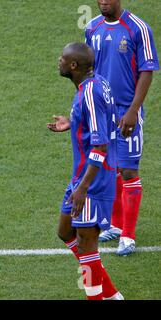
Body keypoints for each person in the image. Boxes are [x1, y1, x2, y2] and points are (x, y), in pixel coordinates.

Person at [48, 42, 123, 300]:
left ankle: (97, 297)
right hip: (81, 177)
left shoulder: (90, 92)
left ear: (73, 65)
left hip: (93, 180)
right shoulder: (94, 83)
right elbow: (100, 121)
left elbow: (100, 143)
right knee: (64, 231)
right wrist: (73, 123)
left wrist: (83, 188)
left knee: (86, 244)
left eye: (62, 58)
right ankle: (112, 295)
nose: (58, 61)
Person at [85, 0, 159, 256]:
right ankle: (115, 225)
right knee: (109, 166)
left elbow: (147, 71)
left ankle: (128, 236)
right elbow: (89, 72)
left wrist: (133, 110)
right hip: (101, 111)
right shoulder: (92, 28)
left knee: (128, 170)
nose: (103, 1)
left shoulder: (138, 28)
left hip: (127, 111)